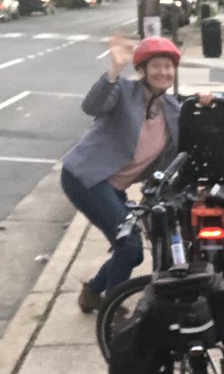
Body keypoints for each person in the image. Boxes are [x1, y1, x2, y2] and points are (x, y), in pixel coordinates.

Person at [61, 35, 181, 312]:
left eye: (168, 66)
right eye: (156, 66)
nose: (163, 72)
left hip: (113, 187)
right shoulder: (124, 92)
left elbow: (178, 152)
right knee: (128, 246)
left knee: (132, 251)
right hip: (85, 177)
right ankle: (112, 311)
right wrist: (114, 70)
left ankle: (92, 292)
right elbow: (91, 106)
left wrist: (206, 103)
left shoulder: (173, 109)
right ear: (142, 70)